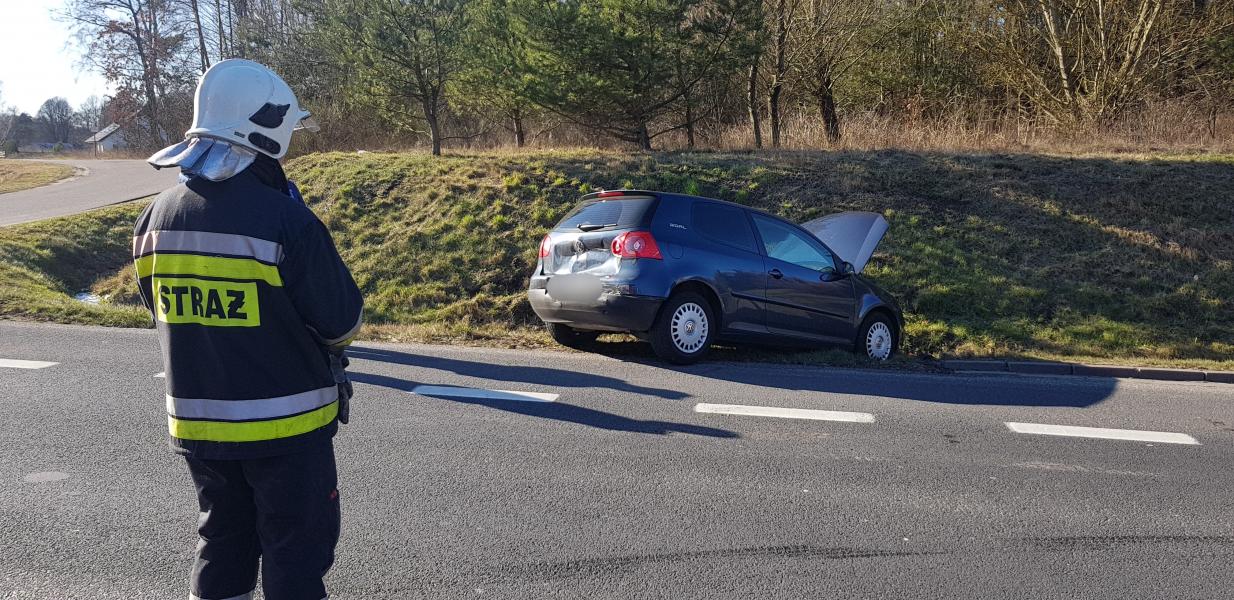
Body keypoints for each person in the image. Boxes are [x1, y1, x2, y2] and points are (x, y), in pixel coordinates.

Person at [135, 59, 363, 600]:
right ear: (271, 130)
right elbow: (342, 322)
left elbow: (159, 308)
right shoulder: (286, 219)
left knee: (222, 542)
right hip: (286, 427)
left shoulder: (154, 217)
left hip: (199, 426)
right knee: (295, 551)